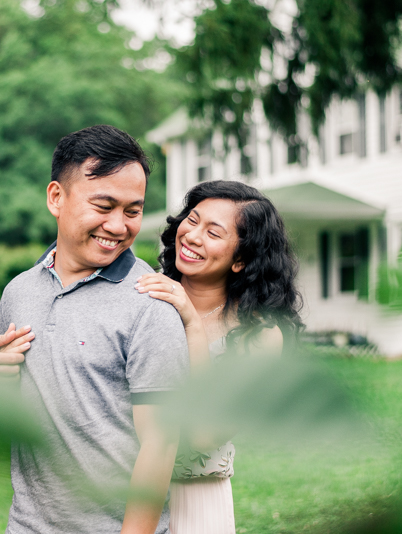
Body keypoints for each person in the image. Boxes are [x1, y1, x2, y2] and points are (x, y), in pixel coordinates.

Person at [0, 125, 189, 534]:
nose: (119, 226)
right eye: (103, 205)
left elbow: (160, 445)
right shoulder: (18, 292)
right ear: (57, 197)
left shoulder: (151, 304)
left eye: (132, 210)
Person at [134, 180, 303, 534]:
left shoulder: (261, 336)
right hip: (123, 491)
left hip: (195, 501)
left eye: (213, 232)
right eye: (192, 220)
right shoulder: (143, 296)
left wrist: (192, 324)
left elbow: (207, 432)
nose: (192, 236)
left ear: (240, 259)